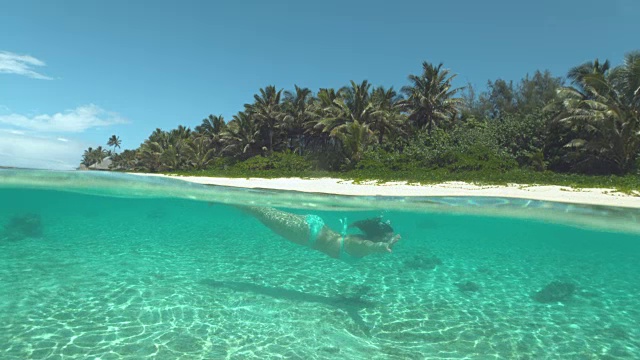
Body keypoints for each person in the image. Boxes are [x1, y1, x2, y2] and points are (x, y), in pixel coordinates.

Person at [238, 206, 401, 261]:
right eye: (386, 236)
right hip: (307, 233)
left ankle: (237, 204)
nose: (389, 238)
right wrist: (383, 246)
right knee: (261, 213)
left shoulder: (358, 242)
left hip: (313, 227)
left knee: (263, 214)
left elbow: (370, 244)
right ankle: (235, 202)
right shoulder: (359, 245)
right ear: (377, 237)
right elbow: (370, 246)